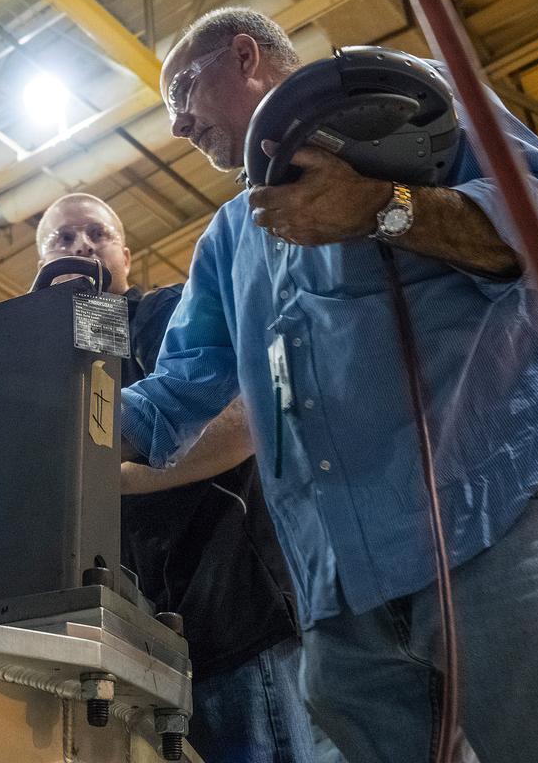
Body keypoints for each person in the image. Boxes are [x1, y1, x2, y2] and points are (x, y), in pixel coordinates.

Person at [119, 6, 538, 762]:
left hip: (500, 532)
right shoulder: (230, 240)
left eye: (181, 92)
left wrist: (385, 209)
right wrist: (59, 426)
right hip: (344, 615)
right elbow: (174, 397)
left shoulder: (402, 103)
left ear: (244, 56)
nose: (176, 126)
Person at [36, 192, 324, 763]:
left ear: (126, 252)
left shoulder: (166, 317)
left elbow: (247, 416)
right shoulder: (47, 363)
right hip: (128, 647)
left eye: (97, 233)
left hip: (236, 618)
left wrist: (112, 477)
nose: (82, 246)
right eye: (62, 239)